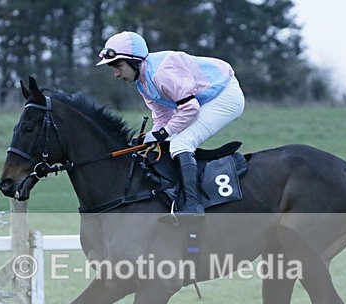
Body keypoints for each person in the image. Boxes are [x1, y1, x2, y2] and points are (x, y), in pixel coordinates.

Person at [97, 31, 245, 219]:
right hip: (202, 100)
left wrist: (164, 133)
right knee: (167, 143)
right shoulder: (142, 82)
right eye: (113, 68)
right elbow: (162, 116)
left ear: (134, 61)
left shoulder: (161, 73)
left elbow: (190, 109)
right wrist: (150, 136)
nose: (116, 74)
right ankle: (174, 195)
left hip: (224, 96)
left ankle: (192, 206)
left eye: (118, 66)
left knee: (180, 144)